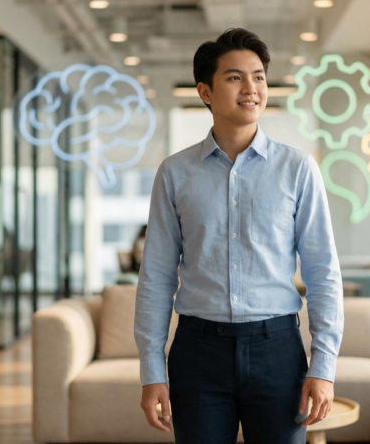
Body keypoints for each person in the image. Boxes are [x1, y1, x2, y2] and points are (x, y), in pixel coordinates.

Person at [134, 28, 343, 443]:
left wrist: (323, 366)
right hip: (198, 351)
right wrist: (151, 372)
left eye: (259, 76)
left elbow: (323, 272)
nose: (251, 88)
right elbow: (156, 276)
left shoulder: (298, 169)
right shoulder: (175, 174)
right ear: (205, 91)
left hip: (278, 350)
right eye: (235, 77)